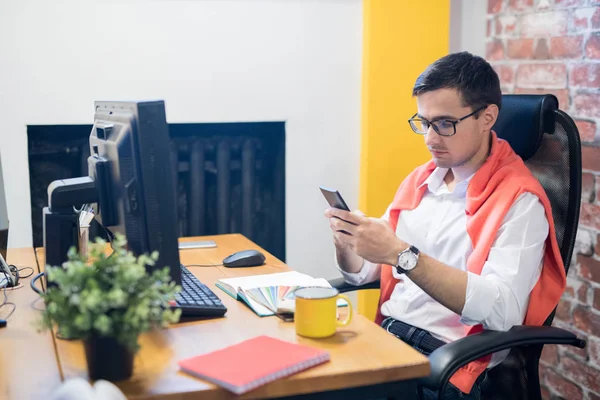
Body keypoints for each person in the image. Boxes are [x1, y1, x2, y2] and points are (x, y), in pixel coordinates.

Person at [324, 52, 565, 400]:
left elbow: (502, 309)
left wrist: (402, 255)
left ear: (487, 118)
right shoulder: (422, 180)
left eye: (444, 124)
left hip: (446, 363)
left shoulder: (519, 201)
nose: (430, 138)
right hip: (386, 339)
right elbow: (362, 274)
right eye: (423, 122)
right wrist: (347, 243)